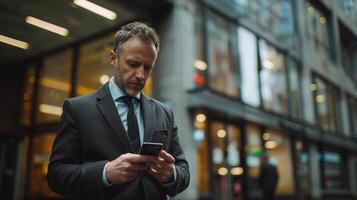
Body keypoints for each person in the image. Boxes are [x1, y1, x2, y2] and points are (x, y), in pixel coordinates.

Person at [47, 22, 190, 200]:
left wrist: (170, 174)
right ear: (113, 59)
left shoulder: (164, 112)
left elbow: (183, 170)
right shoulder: (78, 109)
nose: (140, 75)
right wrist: (105, 173)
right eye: (133, 64)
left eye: (147, 67)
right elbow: (56, 175)